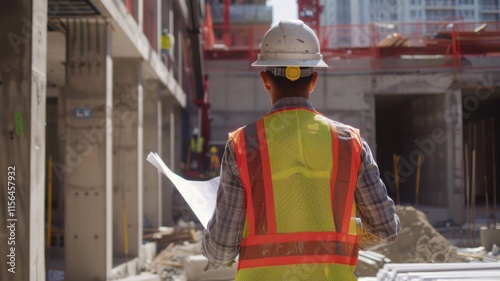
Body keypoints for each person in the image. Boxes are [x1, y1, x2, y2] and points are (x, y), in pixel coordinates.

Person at [202, 19, 399, 280]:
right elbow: (384, 228)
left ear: (265, 79)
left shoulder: (243, 144)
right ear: (313, 79)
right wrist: (341, 236)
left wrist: (212, 243)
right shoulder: (349, 143)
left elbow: (221, 249)